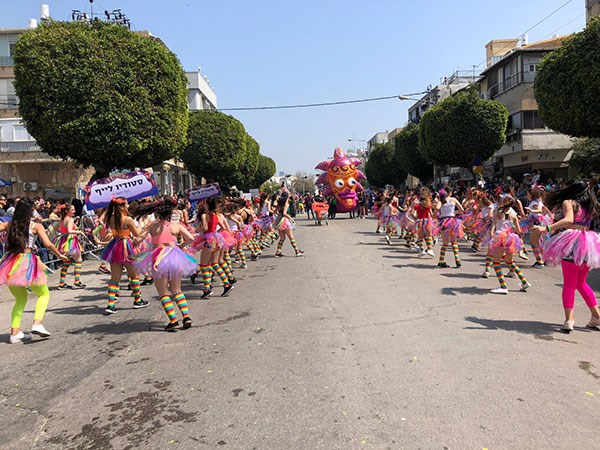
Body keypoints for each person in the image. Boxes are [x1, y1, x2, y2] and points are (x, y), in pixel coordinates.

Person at [0, 198, 69, 343]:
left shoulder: (9, 224)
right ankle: (37, 324)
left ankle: (14, 333)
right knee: (44, 294)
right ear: (30, 211)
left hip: (10, 263)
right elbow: (48, 244)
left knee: (20, 299)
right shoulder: (36, 226)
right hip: (27, 261)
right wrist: (60, 255)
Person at [534, 181, 600, 332]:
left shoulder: (569, 202)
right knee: (581, 283)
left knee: (570, 284)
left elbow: (569, 220)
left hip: (573, 243)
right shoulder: (590, 205)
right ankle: (596, 316)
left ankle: (569, 320)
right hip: (588, 243)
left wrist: (546, 228)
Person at [134, 198, 196, 331]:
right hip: (175, 257)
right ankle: (186, 317)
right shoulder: (176, 226)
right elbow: (191, 238)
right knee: (177, 290)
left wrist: (134, 240)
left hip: (159, 258)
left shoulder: (152, 225)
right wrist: (180, 246)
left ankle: (173, 321)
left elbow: (139, 239)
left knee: (164, 293)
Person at [100, 197, 149, 315]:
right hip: (127, 247)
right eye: (126, 204)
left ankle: (111, 304)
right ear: (122, 207)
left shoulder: (110, 218)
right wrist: (141, 224)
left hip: (115, 246)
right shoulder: (128, 219)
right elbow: (137, 234)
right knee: (134, 275)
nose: (128, 206)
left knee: (114, 278)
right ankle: (137, 300)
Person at [488, 195, 531, 294]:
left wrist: (492, 235)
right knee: (510, 261)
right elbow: (519, 230)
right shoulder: (514, 215)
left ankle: (503, 286)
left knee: (496, 262)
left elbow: (493, 226)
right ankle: (524, 282)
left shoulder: (497, 213)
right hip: (511, 238)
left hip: (500, 237)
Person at [192, 196, 234, 298]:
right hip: (217, 239)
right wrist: (215, 233)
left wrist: (197, 229)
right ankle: (226, 283)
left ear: (207, 205)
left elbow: (205, 227)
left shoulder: (204, 215)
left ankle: (207, 289)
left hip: (208, 240)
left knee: (203, 265)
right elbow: (223, 227)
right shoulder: (216, 216)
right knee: (215, 263)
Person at [54, 204, 86, 289]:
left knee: (66, 262)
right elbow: (69, 230)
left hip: (64, 241)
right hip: (70, 241)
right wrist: (79, 232)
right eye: (72, 210)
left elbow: (56, 229)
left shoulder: (62, 219)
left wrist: (63, 232)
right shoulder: (70, 219)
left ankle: (61, 283)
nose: (74, 211)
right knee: (79, 261)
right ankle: (77, 282)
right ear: (66, 211)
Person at [435, 188, 464, 268]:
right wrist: (454, 212)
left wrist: (437, 215)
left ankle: (441, 260)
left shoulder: (441, 200)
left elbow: (436, 209)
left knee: (445, 243)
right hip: (453, 221)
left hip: (444, 221)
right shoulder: (453, 199)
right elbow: (462, 210)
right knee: (454, 241)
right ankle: (457, 260)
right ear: (450, 192)